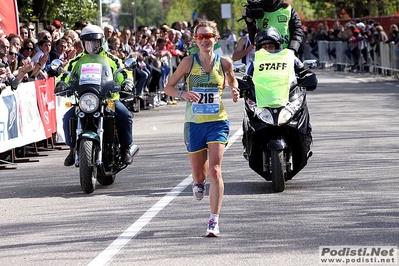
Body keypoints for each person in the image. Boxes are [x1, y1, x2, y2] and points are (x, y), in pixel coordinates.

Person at [164, 20, 239, 237]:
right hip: (194, 124)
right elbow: (168, 86)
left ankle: (214, 221)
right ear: (195, 40)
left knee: (215, 170)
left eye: (208, 36)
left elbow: (232, 83)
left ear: (215, 39)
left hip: (218, 121)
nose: (204, 40)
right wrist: (182, 94)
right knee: (199, 174)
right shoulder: (188, 62)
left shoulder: (224, 63)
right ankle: (198, 183)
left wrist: (235, 92)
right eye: (200, 37)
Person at [57, 24, 136, 166]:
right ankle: (72, 148)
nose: (92, 45)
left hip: (109, 100)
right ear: (83, 43)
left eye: (96, 42)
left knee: (124, 114)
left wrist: (127, 82)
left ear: (102, 42)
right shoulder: (75, 61)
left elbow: (123, 72)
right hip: (85, 100)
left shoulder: (112, 59)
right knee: (68, 117)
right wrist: (61, 83)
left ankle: (125, 148)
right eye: (89, 42)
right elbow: (65, 74)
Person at [247, 27, 312, 153]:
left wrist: (307, 74)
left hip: (286, 95)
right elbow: (247, 76)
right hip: (263, 97)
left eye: (270, 46)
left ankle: (307, 133)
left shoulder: (289, 57)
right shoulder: (255, 60)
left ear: (277, 46)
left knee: (303, 104)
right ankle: (248, 141)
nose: (267, 50)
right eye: (264, 47)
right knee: (248, 109)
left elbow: (302, 70)